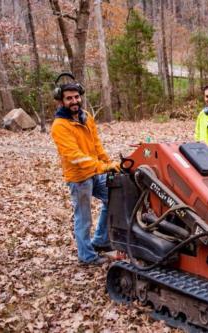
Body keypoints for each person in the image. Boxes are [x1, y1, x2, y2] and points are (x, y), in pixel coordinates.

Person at [50, 73, 119, 266]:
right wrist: (103, 166)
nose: (74, 101)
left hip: (95, 172)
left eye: (76, 97)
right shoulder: (60, 126)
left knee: (112, 198)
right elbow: (76, 158)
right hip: (79, 177)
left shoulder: (86, 117)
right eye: (69, 98)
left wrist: (108, 163)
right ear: (61, 101)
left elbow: (96, 145)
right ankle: (86, 256)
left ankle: (101, 240)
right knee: (84, 217)